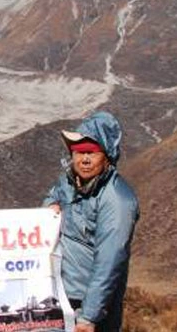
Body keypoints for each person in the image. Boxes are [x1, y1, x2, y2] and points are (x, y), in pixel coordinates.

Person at [43, 112, 139, 332]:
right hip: (59, 295)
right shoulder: (69, 181)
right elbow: (54, 195)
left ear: (106, 156)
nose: (83, 159)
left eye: (91, 153)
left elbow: (109, 261)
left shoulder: (117, 201)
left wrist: (89, 316)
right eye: (78, 152)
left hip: (86, 307)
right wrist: (51, 205)